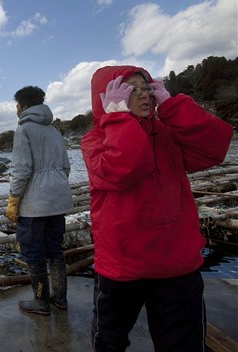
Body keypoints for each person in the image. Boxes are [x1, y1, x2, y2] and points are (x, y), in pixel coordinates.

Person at [81, 65, 233, 351]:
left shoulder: (167, 133)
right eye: (130, 89)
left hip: (176, 264)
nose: (143, 95)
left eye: (146, 88)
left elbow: (215, 148)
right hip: (122, 266)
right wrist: (116, 118)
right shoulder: (94, 141)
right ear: (107, 97)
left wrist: (173, 107)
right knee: (109, 342)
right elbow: (125, 168)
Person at [5, 86, 74, 316]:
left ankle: (41, 301)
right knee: (55, 249)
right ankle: (61, 298)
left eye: (17, 105)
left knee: (34, 253)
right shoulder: (54, 131)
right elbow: (66, 166)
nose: (16, 110)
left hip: (35, 206)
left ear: (24, 106)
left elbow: (22, 169)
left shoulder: (23, 130)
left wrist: (14, 199)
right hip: (58, 200)